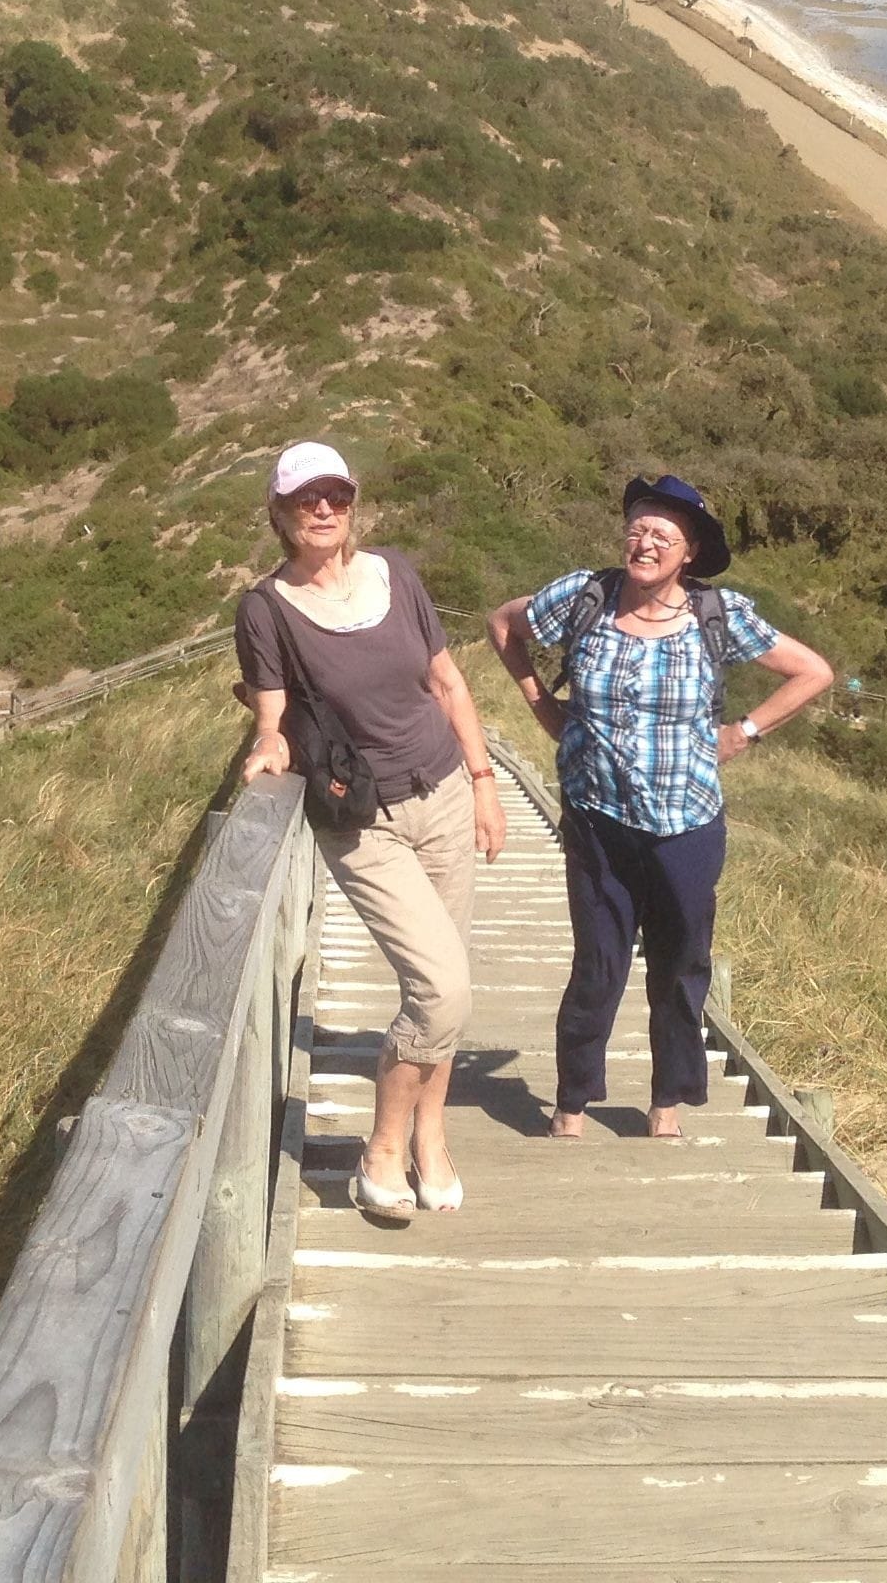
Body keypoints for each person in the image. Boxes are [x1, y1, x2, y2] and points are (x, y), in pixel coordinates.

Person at [490, 474, 834, 1140]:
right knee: (597, 965)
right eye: (638, 528)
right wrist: (540, 701)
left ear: (689, 555)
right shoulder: (584, 597)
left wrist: (745, 731)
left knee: (680, 965)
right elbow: (504, 624)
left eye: (663, 536)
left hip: (687, 825)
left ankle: (666, 1101)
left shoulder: (719, 615)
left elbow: (812, 671)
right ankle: (572, 1102)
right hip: (597, 817)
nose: (644, 542)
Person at [237, 440, 506, 1215]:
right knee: (442, 984)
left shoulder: (397, 574)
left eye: (337, 495)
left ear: (354, 503)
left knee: (441, 988)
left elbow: (447, 683)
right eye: (305, 499)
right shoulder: (265, 609)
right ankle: (382, 1146)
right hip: (365, 818)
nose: (324, 510)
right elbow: (274, 716)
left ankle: (431, 1137)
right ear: (280, 513)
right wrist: (268, 746)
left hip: (447, 793)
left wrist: (485, 786)